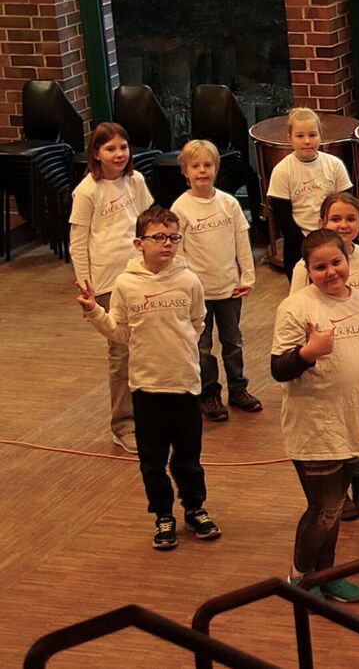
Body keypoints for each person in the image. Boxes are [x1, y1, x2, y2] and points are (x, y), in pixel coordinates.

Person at [75, 206, 218, 550]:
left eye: (173, 237)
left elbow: (198, 323)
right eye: (158, 237)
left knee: (188, 457)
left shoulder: (189, 280)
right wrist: (95, 311)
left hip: (183, 384)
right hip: (146, 388)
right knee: (152, 460)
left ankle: (194, 507)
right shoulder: (126, 284)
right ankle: (163, 515)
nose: (167, 244)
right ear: (139, 243)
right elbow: (120, 332)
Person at [271, 228, 359, 603]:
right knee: (323, 507)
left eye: (336, 262)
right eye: (320, 267)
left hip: (351, 422)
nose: (330, 272)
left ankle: (327, 573)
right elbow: (278, 368)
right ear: (307, 270)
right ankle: (300, 577)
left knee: (336, 507)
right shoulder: (295, 308)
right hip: (313, 426)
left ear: (348, 261)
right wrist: (309, 352)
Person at [290, 192, 359, 520]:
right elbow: (296, 308)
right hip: (324, 352)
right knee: (335, 420)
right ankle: (336, 491)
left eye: (350, 218)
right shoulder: (307, 264)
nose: (344, 224)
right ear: (322, 223)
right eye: (336, 219)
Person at [69, 122, 156, 453]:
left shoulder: (136, 181)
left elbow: (149, 220)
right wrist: (85, 283)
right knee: (120, 351)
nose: (118, 154)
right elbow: (78, 241)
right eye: (110, 149)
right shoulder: (87, 191)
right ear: (96, 153)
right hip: (108, 279)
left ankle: (149, 413)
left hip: (140, 272)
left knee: (146, 344)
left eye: (123, 147)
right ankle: (123, 423)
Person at [172, 139, 259, 423]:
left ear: (216, 168)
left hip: (229, 288)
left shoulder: (228, 203)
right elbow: (178, 252)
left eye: (207, 165)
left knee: (233, 341)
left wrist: (247, 275)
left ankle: (238, 388)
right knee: (203, 346)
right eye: (195, 166)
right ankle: (209, 393)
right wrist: (186, 285)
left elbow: (241, 241)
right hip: (199, 293)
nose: (201, 171)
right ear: (185, 171)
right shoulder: (181, 208)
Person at [267, 107, 353, 276]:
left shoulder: (335, 165)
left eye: (312, 135)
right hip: (299, 243)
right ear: (289, 138)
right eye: (300, 136)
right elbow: (282, 216)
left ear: (320, 135)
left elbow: (347, 204)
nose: (307, 141)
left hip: (334, 238)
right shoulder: (282, 171)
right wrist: (307, 244)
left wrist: (334, 236)